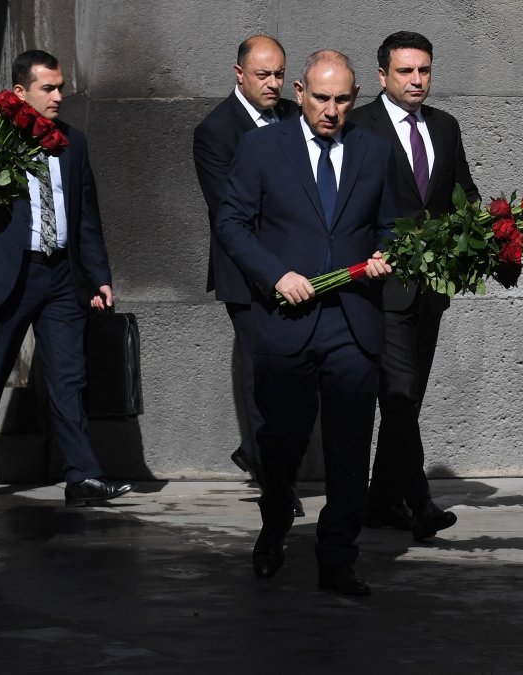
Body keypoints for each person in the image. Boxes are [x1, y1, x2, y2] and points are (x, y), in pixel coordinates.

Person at [214, 50, 397, 596]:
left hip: (352, 320)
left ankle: (337, 557)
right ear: (299, 91)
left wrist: (388, 254)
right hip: (285, 320)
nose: (332, 110)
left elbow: (391, 225)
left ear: (357, 95)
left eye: (343, 99)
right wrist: (275, 275)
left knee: (348, 447)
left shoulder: (375, 151)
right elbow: (231, 221)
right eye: (321, 98)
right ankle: (273, 526)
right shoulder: (263, 146)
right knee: (282, 439)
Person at [0, 49, 132, 508]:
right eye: (49, 88)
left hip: (61, 274)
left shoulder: (71, 142)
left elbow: (87, 218)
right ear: (21, 92)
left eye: (61, 87)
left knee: (68, 378)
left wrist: (98, 275)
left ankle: (82, 476)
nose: (59, 96)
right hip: (10, 274)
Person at [348, 31, 477, 542]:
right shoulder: (359, 126)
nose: (417, 80)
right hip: (380, 288)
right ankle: (417, 501)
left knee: (408, 399)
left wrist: (486, 232)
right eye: (405, 71)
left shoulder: (445, 126)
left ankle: (379, 502)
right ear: (382, 75)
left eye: (423, 70)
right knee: (399, 394)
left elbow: (462, 191)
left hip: (430, 287)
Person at [192, 35, 304, 516]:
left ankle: (258, 454)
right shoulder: (216, 131)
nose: (273, 83)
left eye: (279, 74)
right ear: (239, 74)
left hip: (296, 270)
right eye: (263, 75)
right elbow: (232, 213)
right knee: (262, 376)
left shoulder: (292, 118)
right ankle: (274, 483)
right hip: (249, 274)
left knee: (294, 376)